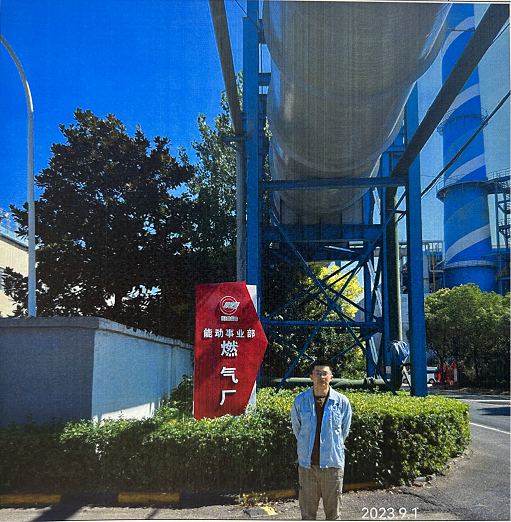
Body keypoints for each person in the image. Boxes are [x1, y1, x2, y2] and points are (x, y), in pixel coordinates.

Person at [291, 357, 352, 520]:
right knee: (307, 515)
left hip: (332, 466)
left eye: (325, 373)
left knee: (333, 515)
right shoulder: (300, 401)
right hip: (307, 466)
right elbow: (298, 430)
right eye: (317, 373)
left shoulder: (342, 402)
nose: (321, 377)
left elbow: (343, 432)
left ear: (331, 377)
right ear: (311, 376)